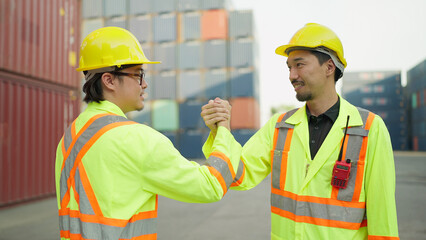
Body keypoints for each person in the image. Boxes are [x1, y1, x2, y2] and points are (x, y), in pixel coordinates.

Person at [201, 23, 399, 239]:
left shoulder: (369, 128)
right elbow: (238, 176)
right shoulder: (279, 127)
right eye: (289, 67)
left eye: (299, 65)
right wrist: (220, 131)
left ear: (329, 67)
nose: (292, 75)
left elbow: (383, 213)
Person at [55, 26, 241, 240]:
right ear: (109, 80)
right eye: (137, 74)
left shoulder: (71, 136)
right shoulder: (135, 138)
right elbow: (210, 186)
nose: (144, 84)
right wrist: (223, 130)